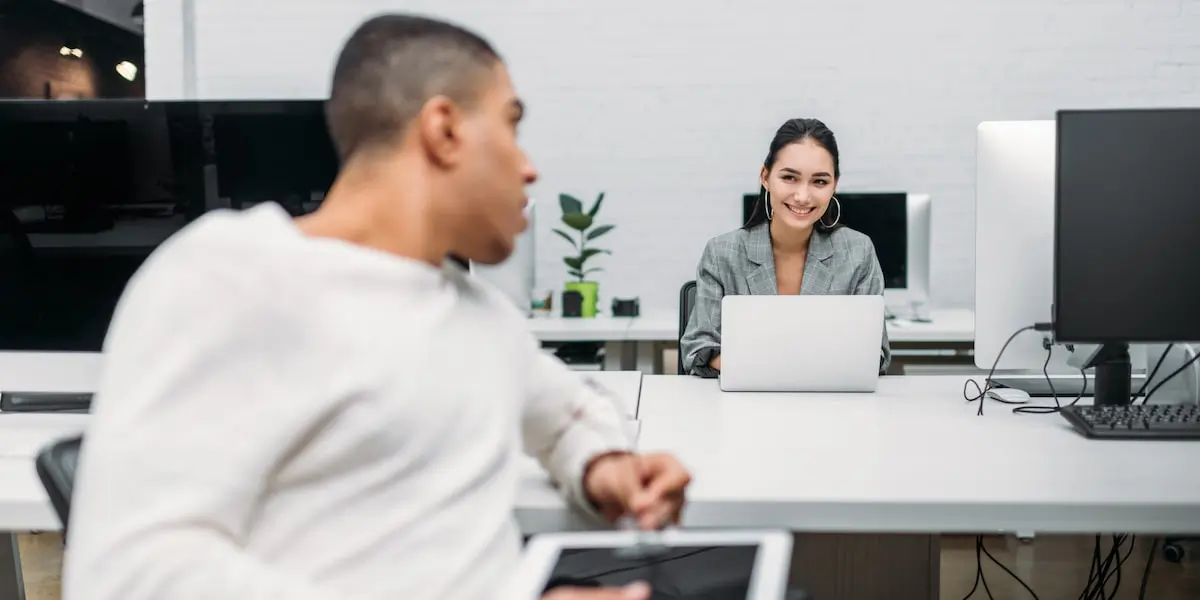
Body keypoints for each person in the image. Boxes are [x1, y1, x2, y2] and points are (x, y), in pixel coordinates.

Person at [62, 14, 689, 600]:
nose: (529, 169)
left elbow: (571, 414)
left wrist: (604, 466)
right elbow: (130, 578)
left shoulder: (477, 313)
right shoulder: (232, 278)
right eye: (512, 126)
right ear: (444, 131)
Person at [679, 118, 891, 377]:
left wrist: (778, 364)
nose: (802, 196)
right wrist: (785, 368)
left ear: (834, 185)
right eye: (790, 177)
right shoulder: (722, 253)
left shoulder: (858, 251)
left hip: (830, 397)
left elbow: (875, 354)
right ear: (765, 177)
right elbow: (698, 349)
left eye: (819, 182)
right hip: (748, 396)